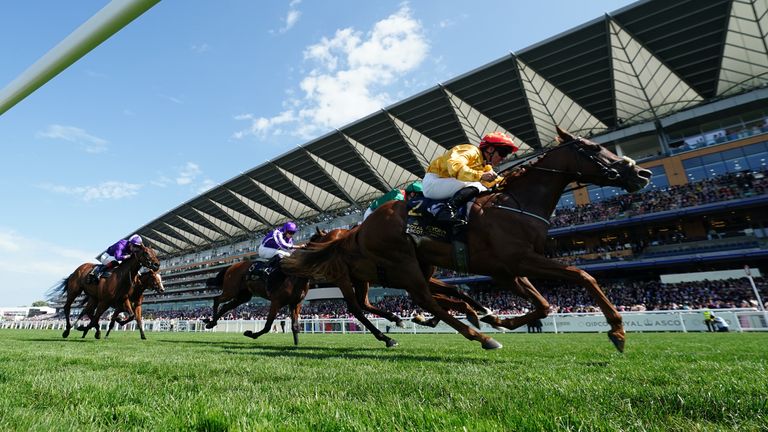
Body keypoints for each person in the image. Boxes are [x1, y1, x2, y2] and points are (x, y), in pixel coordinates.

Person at [422, 131, 519, 226]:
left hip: (445, 183)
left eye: (507, 154)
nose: (504, 158)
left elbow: (496, 182)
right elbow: (455, 167)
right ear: (490, 149)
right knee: (478, 185)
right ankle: (447, 210)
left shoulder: (484, 165)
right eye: (503, 153)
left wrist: (514, 177)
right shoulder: (470, 150)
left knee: (486, 188)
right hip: (433, 182)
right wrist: (480, 176)